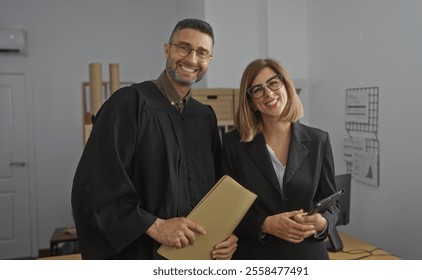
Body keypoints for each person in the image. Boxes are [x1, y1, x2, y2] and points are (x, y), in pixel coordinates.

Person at [71, 18, 237, 260]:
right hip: (142, 254)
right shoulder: (129, 103)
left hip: (195, 253)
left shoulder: (204, 117)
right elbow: (97, 183)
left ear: (208, 61)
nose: (191, 59)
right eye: (183, 47)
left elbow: (217, 190)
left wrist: (225, 233)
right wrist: (155, 226)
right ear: (167, 49)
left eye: (202, 53)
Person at [221, 58, 339, 259]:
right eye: (257, 89)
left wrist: (323, 222)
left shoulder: (319, 140)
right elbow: (226, 209)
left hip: (308, 257)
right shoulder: (232, 144)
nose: (268, 93)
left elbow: (332, 204)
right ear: (251, 102)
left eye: (273, 83)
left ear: (286, 86)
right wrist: (265, 224)